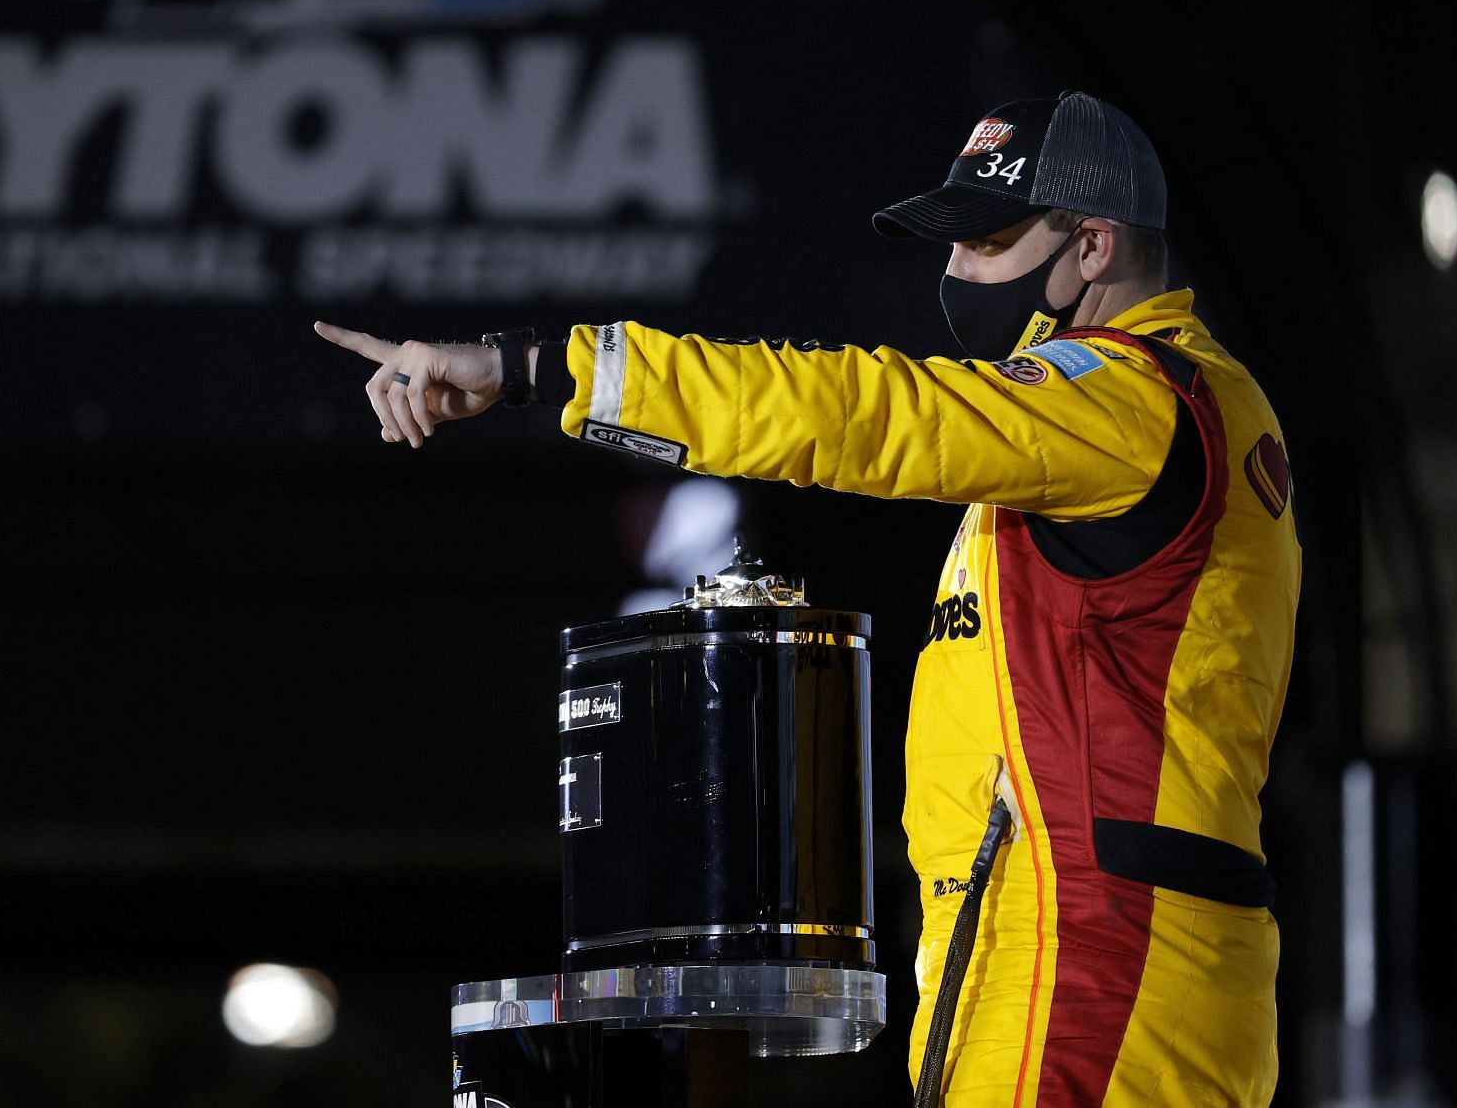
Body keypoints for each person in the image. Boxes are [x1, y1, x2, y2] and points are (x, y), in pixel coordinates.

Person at [316, 91, 1299, 1106]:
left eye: (987, 240)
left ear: (1093, 246)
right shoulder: (1171, 409)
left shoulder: (1128, 400)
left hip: (1092, 970)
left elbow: (855, 412)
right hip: (1084, 959)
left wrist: (540, 368)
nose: (954, 271)